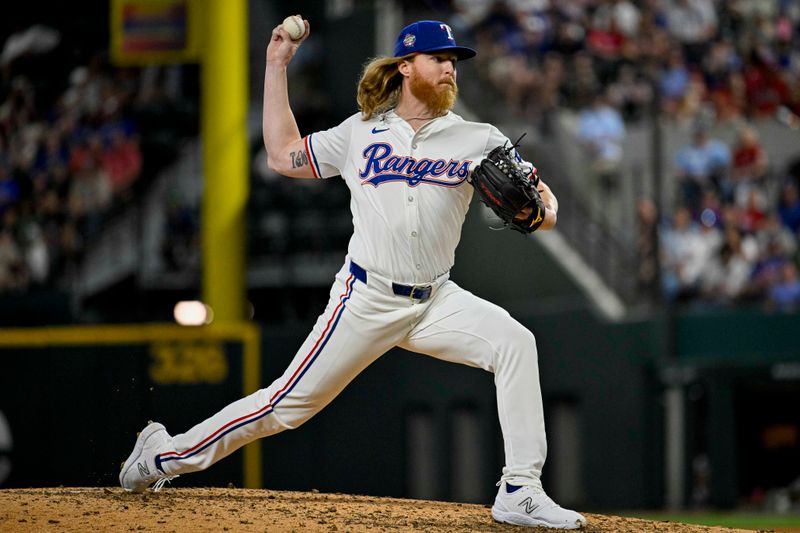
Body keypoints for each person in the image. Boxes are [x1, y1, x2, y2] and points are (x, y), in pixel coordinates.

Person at [119, 18, 586, 530]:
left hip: (435, 300)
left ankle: (520, 488)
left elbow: (544, 207)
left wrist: (542, 210)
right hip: (366, 299)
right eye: (440, 59)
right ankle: (162, 456)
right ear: (406, 66)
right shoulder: (359, 133)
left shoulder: (479, 138)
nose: (451, 69)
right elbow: (281, 155)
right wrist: (276, 65)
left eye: (455, 61)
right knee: (285, 407)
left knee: (515, 343)